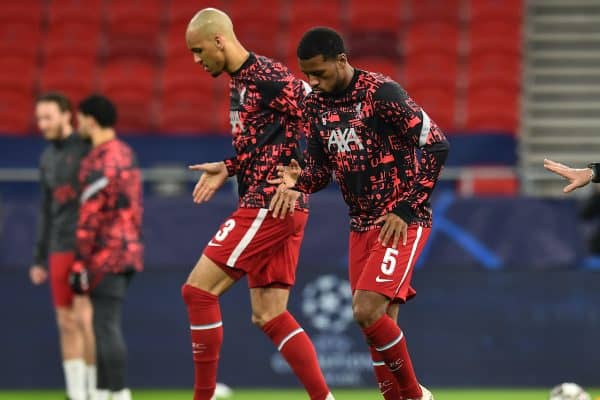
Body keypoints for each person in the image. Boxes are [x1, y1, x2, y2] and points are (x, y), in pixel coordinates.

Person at [269, 27, 450, 400]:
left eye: (320, 73)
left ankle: (417, 396)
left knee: (366, 311)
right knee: (376, 328)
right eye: (307, 75)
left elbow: (436, 144)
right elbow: (321, 173)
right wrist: (297, 180)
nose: (313, 83)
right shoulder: (314, 105)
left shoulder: (381, 94)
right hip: (360, 225)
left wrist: (406, 207)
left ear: (342, 60)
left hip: (402, 219)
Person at [182, 8, 333, 400]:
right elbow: (265, 144)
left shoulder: (267, 77)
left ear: (219, 40)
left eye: (199, 50)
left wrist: (302, 175)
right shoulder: (241, 83)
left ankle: (204, 396)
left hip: (270, 203)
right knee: (269, 313)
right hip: (273, 204)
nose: (197, 61)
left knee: (198, 292)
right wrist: (228, 167)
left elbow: (323, 116)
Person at [70, 95, 143, 400]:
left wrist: (78, 263)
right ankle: (106, 392)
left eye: (79, 118)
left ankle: (116, 393)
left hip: (106, 255)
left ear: (90, 119)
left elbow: (90, 218)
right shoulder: (127, 153)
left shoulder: (98, 160)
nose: (77, 125)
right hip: (129, 250)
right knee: (105, 325)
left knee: (105, 326)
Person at [29, 92, 96, 400]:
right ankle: (77, 393)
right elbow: (46, 209)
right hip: (57, 248)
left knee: (86, 319)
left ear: (67, 115)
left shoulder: (87, 149)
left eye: (48, 117)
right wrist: (39, 258)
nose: (42, 124)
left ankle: (97, 391)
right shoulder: (46, 158)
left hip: (86, 246)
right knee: (65, 322)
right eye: (39, 118)